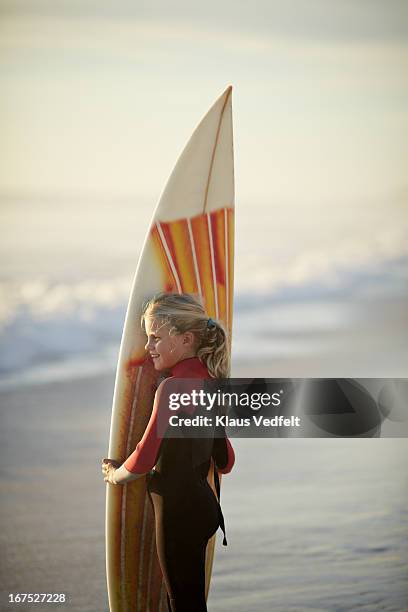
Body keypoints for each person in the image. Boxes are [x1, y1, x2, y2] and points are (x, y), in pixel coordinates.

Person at [101, 292, 235, 612]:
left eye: (155, 338)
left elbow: (144, 459)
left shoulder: (171, 389)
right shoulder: (211, 382)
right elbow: (226, 461)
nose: (148, 348)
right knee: (189, 600)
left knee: (182, 602)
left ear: (186, 339)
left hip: (178, 513)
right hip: (205, 509)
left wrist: (115, 475)